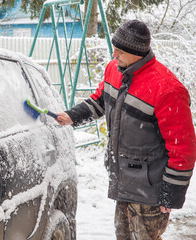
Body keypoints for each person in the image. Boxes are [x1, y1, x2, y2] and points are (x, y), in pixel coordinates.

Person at [56, 19, 196, 240]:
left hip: (150, 191)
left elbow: (183, 150)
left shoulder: (167, 90)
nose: (114, 55)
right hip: (124, 180)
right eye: (114, 49)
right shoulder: (115, 69)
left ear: (137, 52)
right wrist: (72, 116)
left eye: (119, 51)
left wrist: (171, 195)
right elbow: (101, 100)